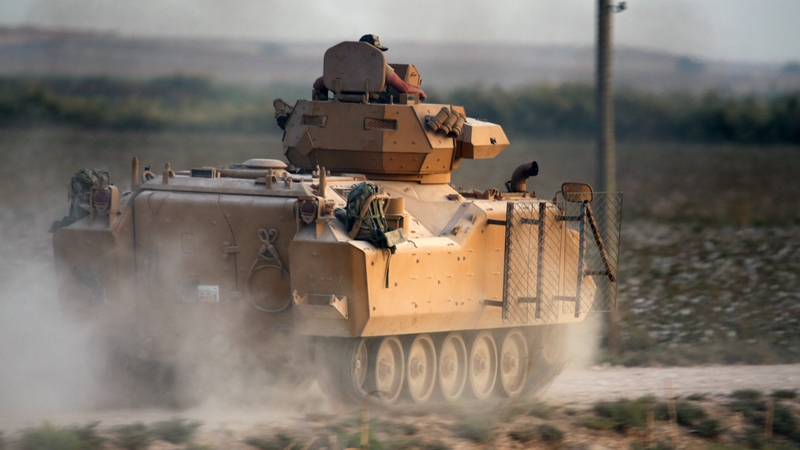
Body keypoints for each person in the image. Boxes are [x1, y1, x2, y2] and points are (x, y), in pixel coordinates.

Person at [313, 34, 427, 101]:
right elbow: (405, 89)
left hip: (343, 102)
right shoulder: (380, 67)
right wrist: (419, 91)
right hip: (375, 104)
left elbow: (317, 84)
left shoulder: (344, 66)